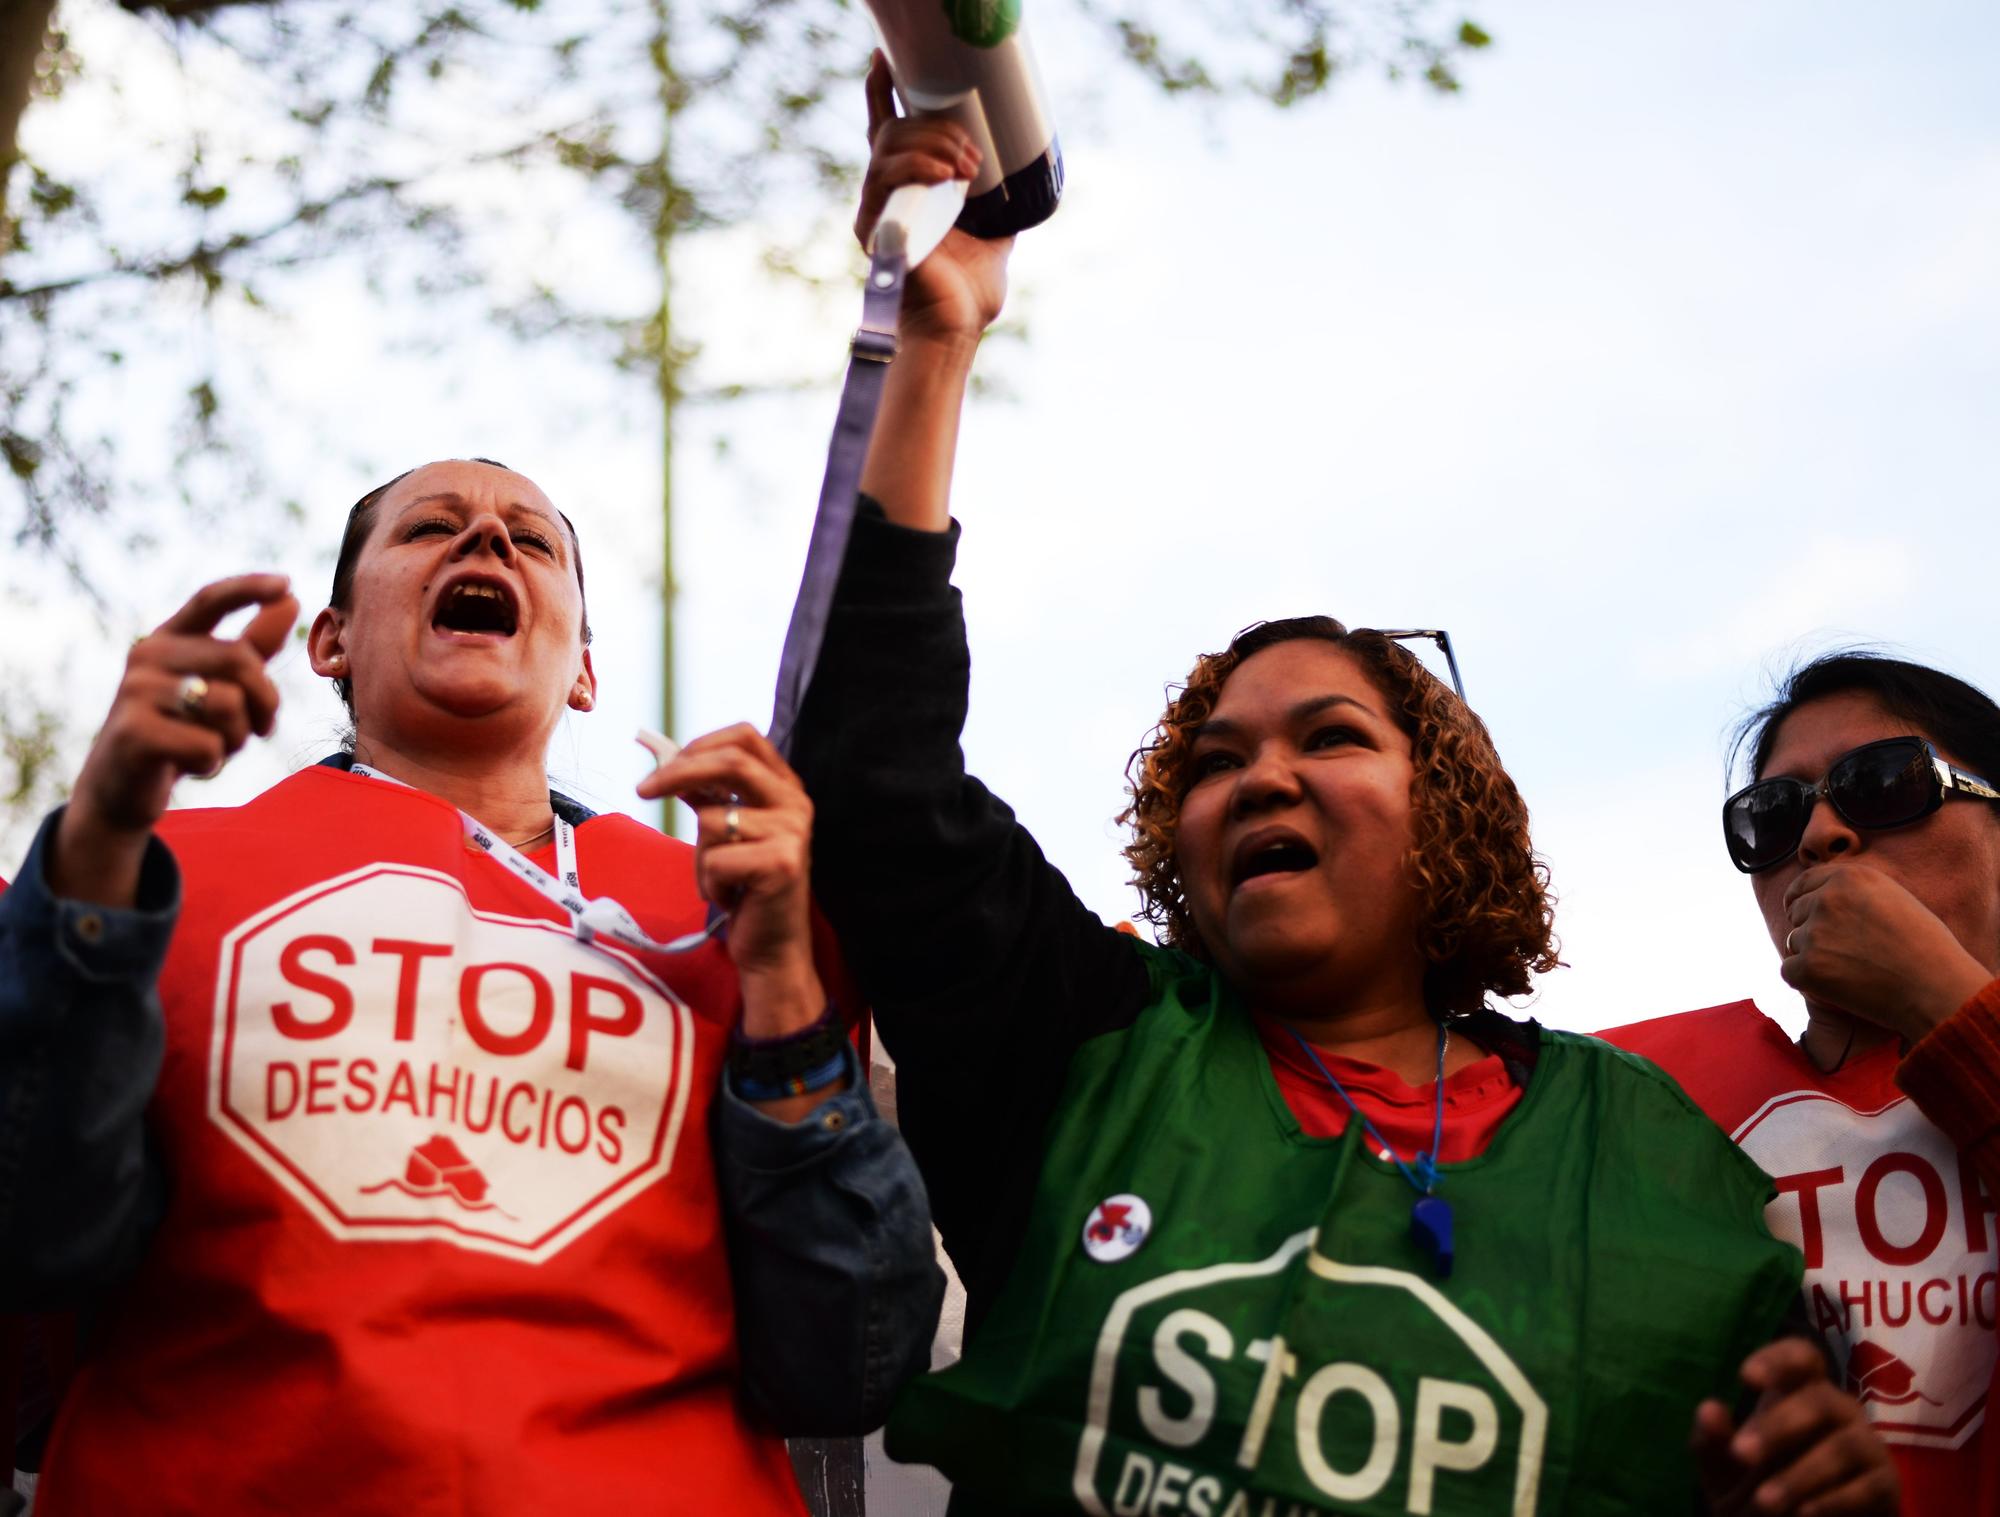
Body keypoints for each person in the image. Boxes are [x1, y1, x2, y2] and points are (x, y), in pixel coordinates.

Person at [778, 62, 1902, 1515]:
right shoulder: (1078, 1049)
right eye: (1216, 761)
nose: (1262, 780)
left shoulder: (1651, 1159)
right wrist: (933, 345)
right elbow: (871, 777)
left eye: (1329, 738)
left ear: (1449, 820)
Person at [0, 457, 944, 1514]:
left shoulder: (732, 910)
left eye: (531, 540)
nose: (487, 542)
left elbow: (851, 1359)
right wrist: (90, 853)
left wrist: (777, 979)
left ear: (582, 670)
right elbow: (33, 1242)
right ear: (332, 640)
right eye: (430, 528)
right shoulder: (144, 877)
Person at [1607, 651, 2000, 1515]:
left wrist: (1942, 998)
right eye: (1772, 815)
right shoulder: (1627, 1098)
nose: (1821, 834)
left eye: (1885, 782)